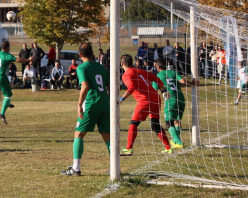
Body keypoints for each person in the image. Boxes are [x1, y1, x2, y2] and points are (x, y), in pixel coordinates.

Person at [61, 43, 111, 177]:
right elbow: (109, 87)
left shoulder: (82, 67)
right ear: (93, 53)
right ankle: (115, 167)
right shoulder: (101, 67)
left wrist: (79, 104)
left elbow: (85, 86)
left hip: (91, 104)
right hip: (105, 104)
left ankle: (75, 169)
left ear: (80, 55)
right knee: (107, 136)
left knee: (78, 134)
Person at [118, 54, 173, 156]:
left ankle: (129, 149)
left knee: (133, 123)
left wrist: (121, 99)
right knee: (155, 124)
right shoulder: (140, 71)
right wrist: (164, 90)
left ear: (121, 64)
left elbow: (131, 87)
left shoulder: (126, 74)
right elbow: (154, 77)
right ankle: (168, 148)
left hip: (145, 100)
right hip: (156, 98)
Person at [153, 58, 195, 149]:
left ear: (158, 66)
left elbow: (154, 90)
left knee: (169, 122)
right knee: (177, 120)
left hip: (170, 100)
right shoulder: (173, 72)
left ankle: (178, 141)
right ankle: (176, 140)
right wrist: (192, 83)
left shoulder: (158, 76)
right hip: (181, 99)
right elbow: (183, 81)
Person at [0, 41, 31, 124]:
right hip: (2, 77)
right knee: (8, 96)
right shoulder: (7, 55)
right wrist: (28, 59)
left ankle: (1, 104)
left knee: (0, 89)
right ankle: (2, 113)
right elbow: (18, 60)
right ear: (8, 47)